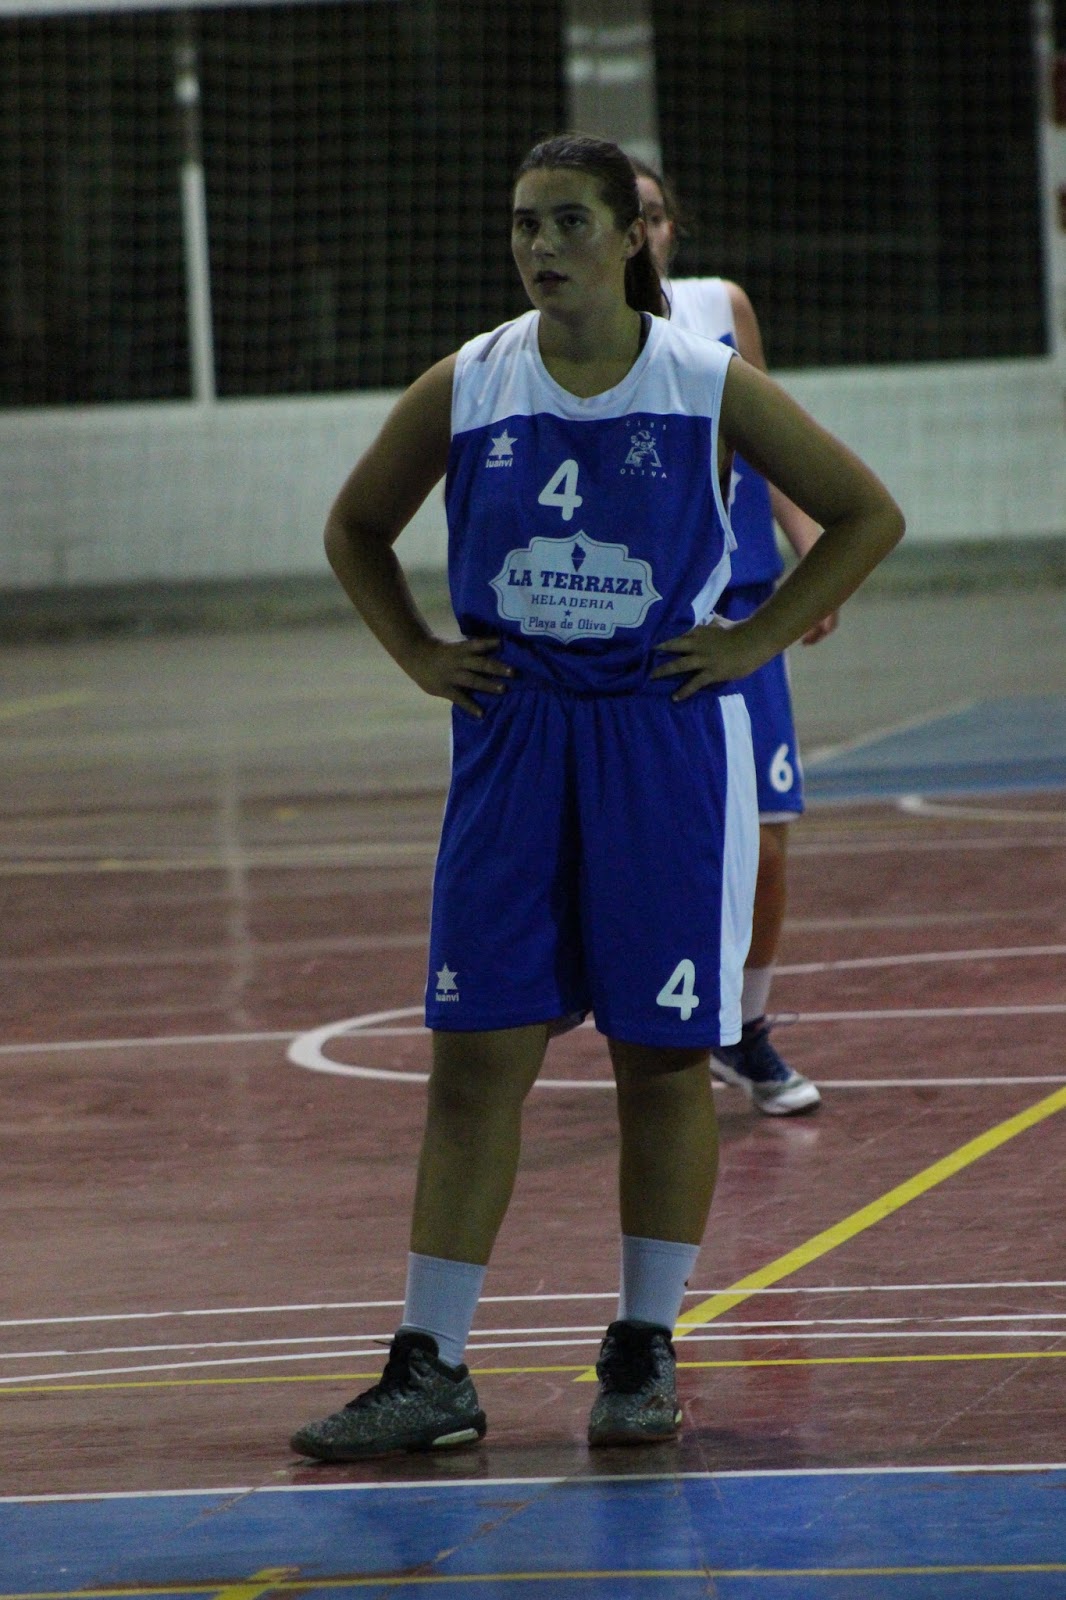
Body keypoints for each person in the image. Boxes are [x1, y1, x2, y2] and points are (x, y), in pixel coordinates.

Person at [290, 133, 903, 1463]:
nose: (541, 246)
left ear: (632, 235)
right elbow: (354, 526)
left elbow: (865, 513)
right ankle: (429, 1365)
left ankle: (640, 1348)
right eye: (525, 223)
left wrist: (750, 638)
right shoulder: (470, 379)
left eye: (569, 220)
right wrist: (418, 654)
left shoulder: (699, 378)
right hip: (514, 739)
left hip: (659, 738)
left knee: (660, 1055)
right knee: (475, 1057)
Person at [633, 158, 834, 1117]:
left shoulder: (720, 307)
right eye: (626, 214)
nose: (643, 229)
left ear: (673, 227)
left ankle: (745, 1031)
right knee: (651, 839)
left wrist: (806, 542)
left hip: (742, 611)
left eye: (655, 213)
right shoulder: (571, 342)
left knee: (768, 838)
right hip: (642, 625)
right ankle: (647, 1009)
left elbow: (769, 435)